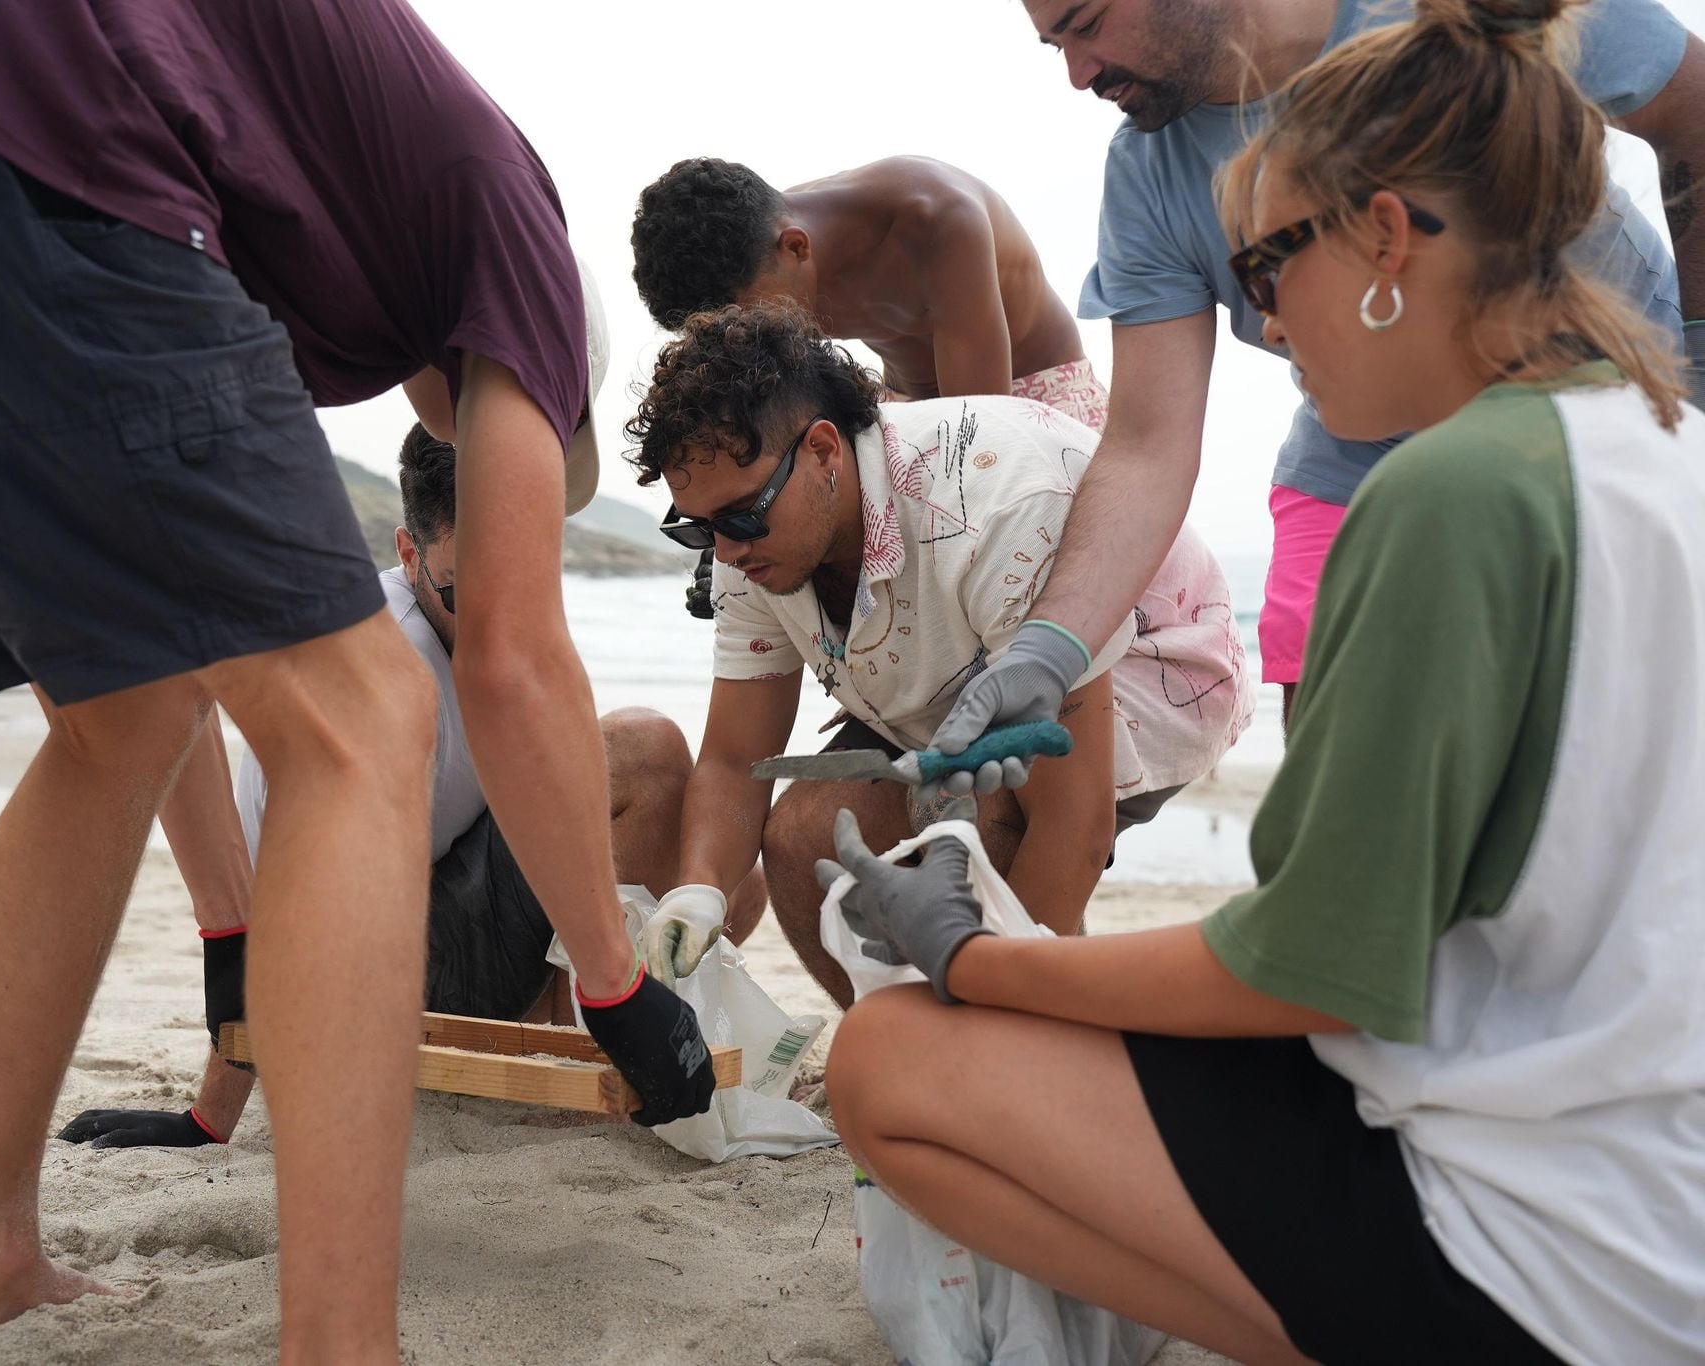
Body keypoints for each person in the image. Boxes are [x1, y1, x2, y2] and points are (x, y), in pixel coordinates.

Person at [0, 3, 714, 1358]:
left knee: (119, 714)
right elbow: (514, 659)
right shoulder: (512, 223)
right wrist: (620, 988)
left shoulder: (323, 228)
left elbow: (164, 676)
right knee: (367, 717)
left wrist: (234, 934)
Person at [823, 2, 1703, 1360]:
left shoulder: (1445, 498)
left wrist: (977, 956)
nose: (1267, 323)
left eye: (1272, 265)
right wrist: (1052, 650)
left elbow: (1314, 970)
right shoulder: (1663, 446)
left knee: (885, 1060)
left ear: (1390, 243)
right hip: (1663, 1183)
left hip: (1544, 1252)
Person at [936, 0, 1702, 762]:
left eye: (1087, 23)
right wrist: (1046, 650)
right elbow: (1147, 445)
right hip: (1362, 439)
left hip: (1615, 393)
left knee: (1604, 725)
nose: (1078, 74)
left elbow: (1695, 108)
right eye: (1054, 45)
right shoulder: (1147, 175)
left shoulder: (1456, 17)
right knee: (1337, 745)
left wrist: (1694, 362)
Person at [59, 426, 769, 1148]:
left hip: (439, 915)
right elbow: (276, 924)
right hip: (363, 981)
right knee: (645, 749)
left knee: (731, 879)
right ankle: (561, 1056)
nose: (504, 608)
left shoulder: (499, 628)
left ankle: (589, 1029)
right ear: (409, 554)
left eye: (524, 570)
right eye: (473, 584)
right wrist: (213, 1115)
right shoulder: (381, 664)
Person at [626, 303, 1250, 1006]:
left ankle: (1006, 1042)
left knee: (974, 837)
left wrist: (991, 1019)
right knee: (805, 836)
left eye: (741, 518)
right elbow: (738, 757)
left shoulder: (995, 513)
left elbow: (1071, 826)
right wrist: (700, 890)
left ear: (825, 451)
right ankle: (905, 1036)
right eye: (700, 530)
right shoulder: (749, 544)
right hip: (948, 660)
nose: (729, 552)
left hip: (1148, 659)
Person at [633, 156, 1103, 617]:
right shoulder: (763, 258)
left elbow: (983, 438)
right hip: (907, 405)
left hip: (1033, 401)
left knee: (1061, 588)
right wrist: (725, 534)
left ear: (796, 247)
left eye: (753, 319)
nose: (750, 337)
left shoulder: (937, 220)